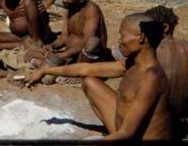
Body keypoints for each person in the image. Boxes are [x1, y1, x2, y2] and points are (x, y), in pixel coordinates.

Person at [27, 13, 173, 140]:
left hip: (132, 136)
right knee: (89, 81)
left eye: (122, 35)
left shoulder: (151, 77)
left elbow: (127, 133)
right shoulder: (131, 64)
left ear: (141, 38)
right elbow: (85, 69)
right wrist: (46, 71)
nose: (119, 40)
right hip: (125, 129)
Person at [45, 0, 110, 65]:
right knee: (32, 54)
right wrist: (51, 47)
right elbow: (64, 36)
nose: (64, 0)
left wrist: (64, 54)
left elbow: (88, 39)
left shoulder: (91, 10)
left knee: (93, 42)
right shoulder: (70, 9)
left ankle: (76, 69)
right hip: (70, 54)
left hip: (85, 57)